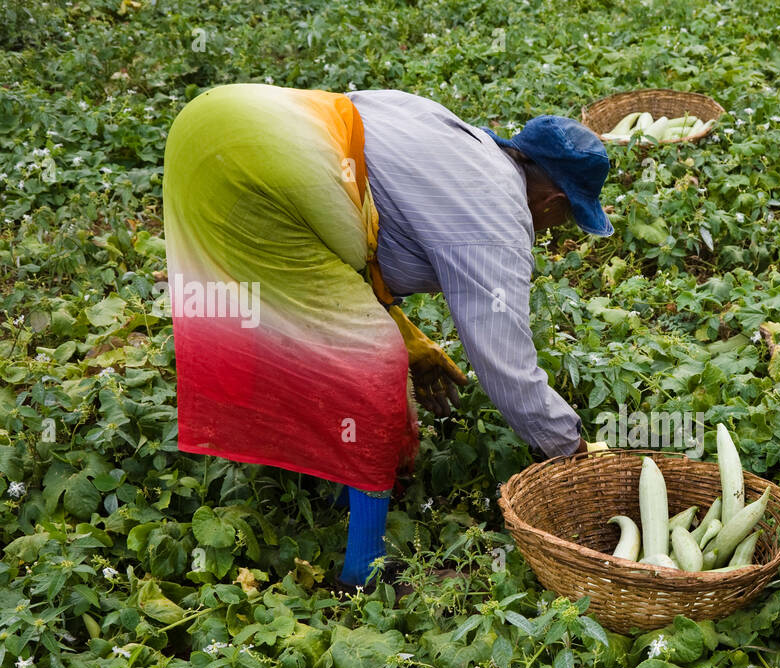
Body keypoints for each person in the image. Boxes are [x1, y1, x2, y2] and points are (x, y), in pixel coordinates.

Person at [162, 84, 612, 589]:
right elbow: (506, 366)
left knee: (306, 336)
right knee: (371, 368)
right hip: (260, 172)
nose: (553, 231)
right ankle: (365, 572)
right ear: (552, 201)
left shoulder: (457, 138)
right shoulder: (497, 220)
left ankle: (336, 486)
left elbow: (348, 238)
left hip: (214, 130)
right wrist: (566, 445)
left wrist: (410, 335)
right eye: (566, 220)